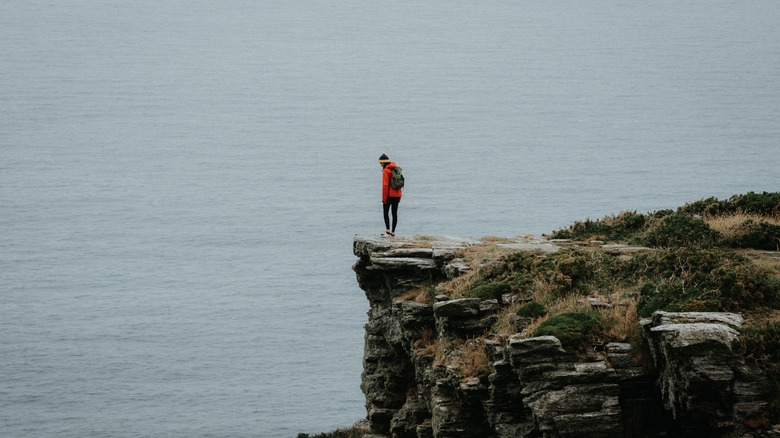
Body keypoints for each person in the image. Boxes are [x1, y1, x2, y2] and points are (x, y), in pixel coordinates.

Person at [379, 153, 401, 237]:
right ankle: (393, 232)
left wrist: (384, 199)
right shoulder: (395, 168)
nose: (381, 165)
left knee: (386, 212)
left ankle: (388, 230)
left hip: (389, 195)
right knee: (394, 213)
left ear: (384, 163)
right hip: (397, 194)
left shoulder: (386, 171)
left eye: (381, 163)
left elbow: (385, 186)